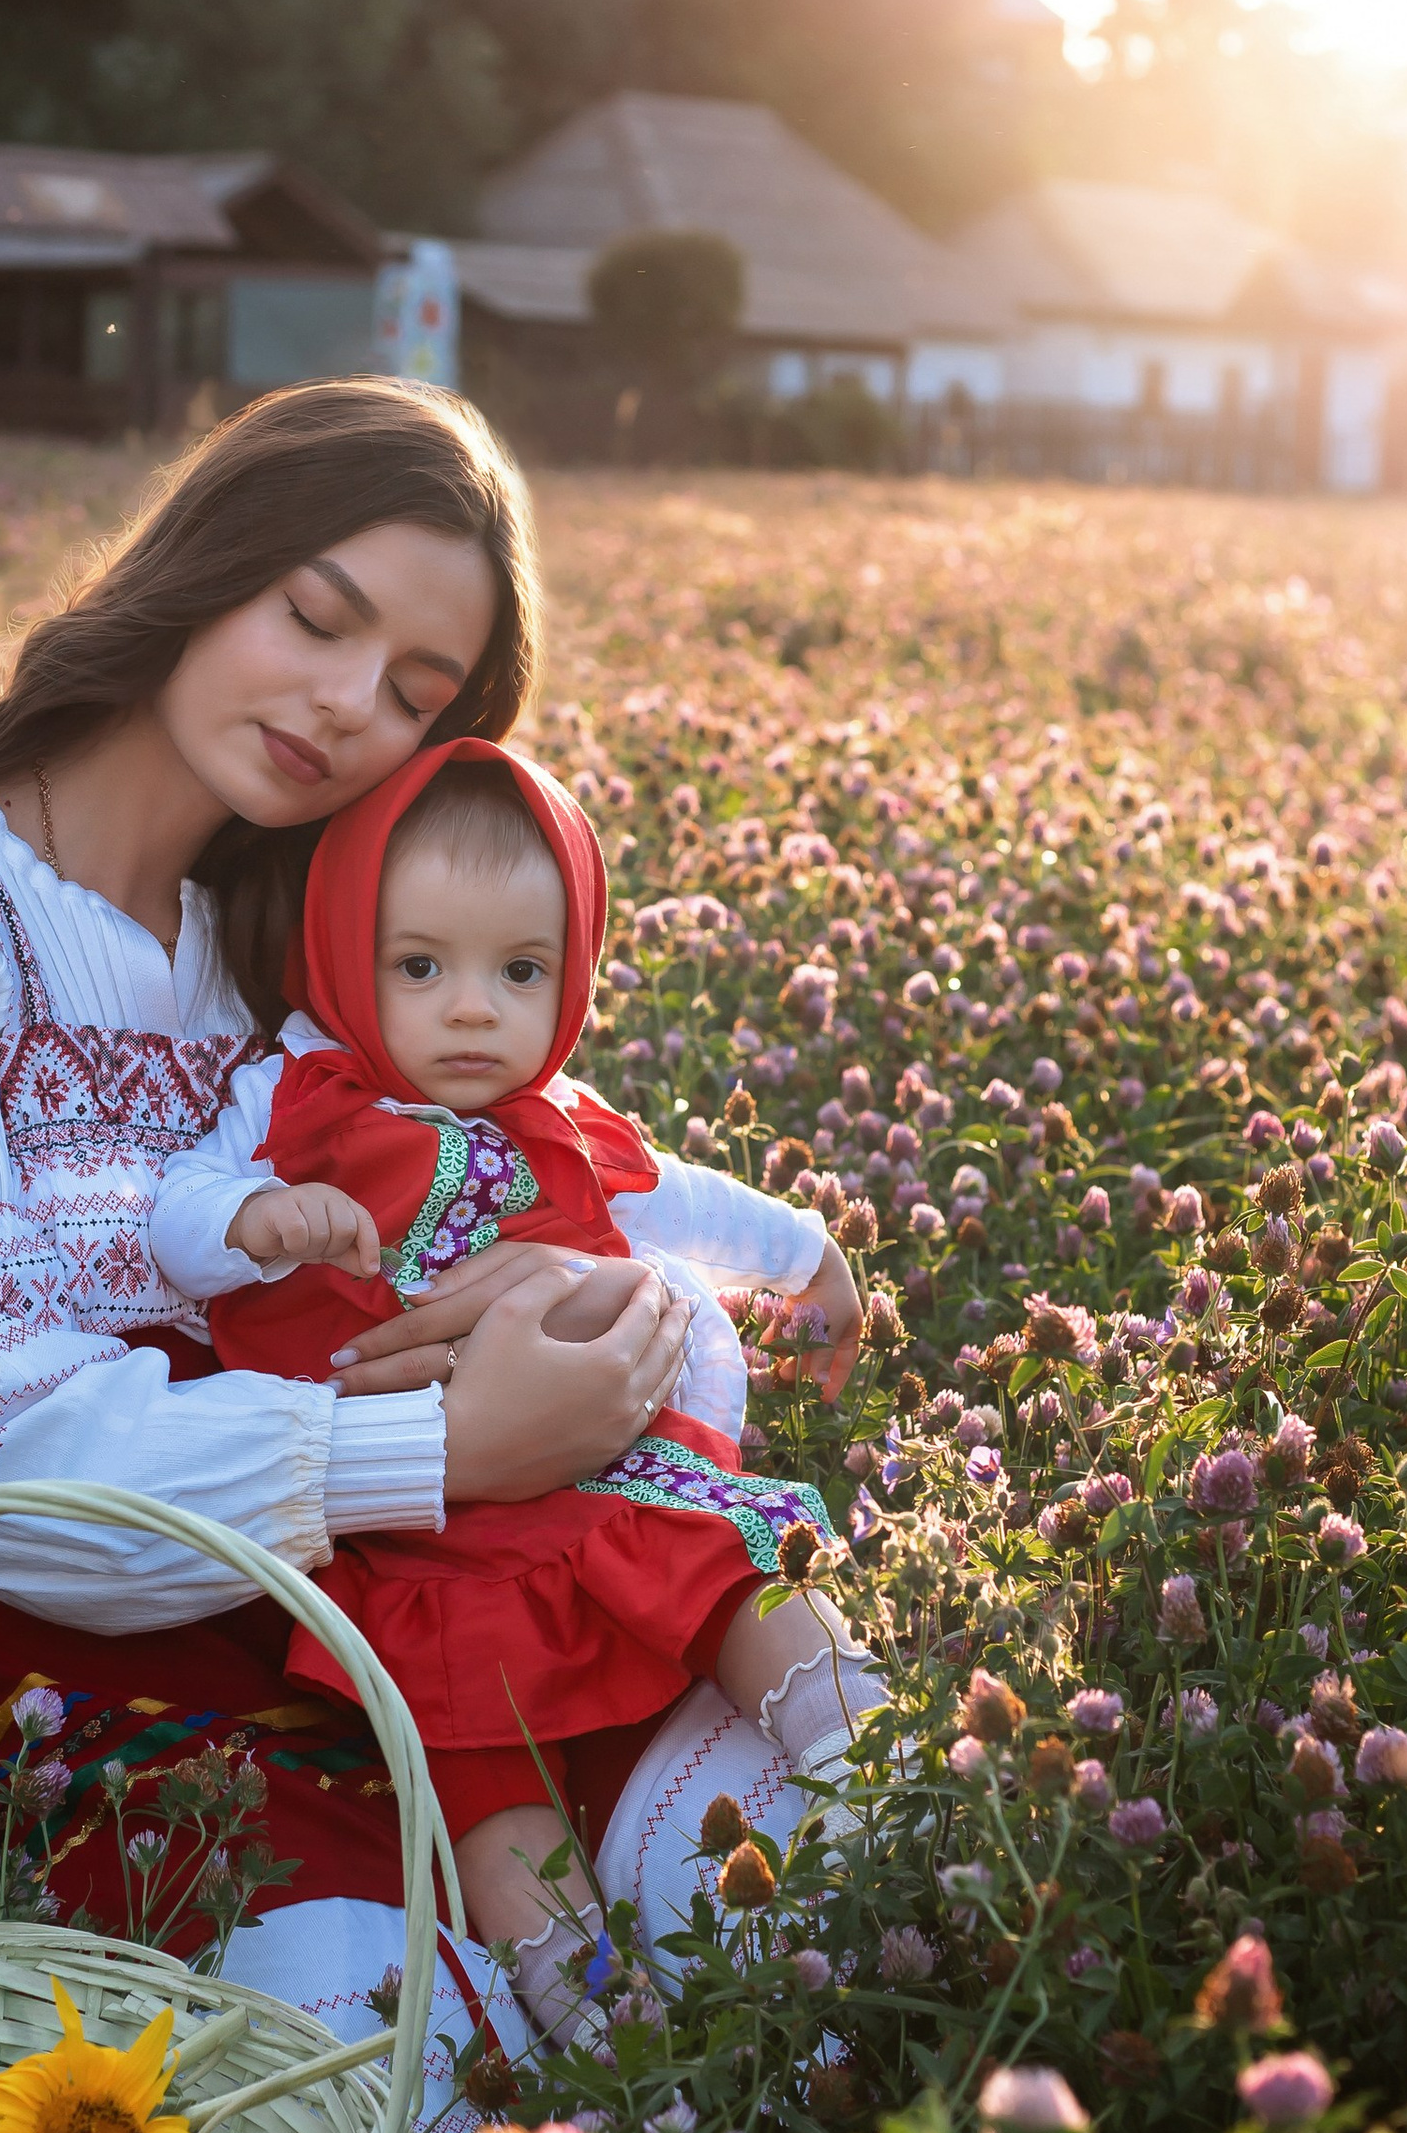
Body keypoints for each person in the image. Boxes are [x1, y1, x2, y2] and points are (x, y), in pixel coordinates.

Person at [0, 379, 864, 2087]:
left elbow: (584, 1194)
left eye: (411, 692)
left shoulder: (305, 949)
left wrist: (591, 1298)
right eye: (315, 613)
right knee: (419, 2114)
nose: (342, 705)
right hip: (110, 1689)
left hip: (456, 1609)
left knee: (851, 1873)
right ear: (207, 557)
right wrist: (440, 1438)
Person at [148, 733, 885, 2035]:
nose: (474, 1006)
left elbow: (681, 1195)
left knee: (726, 1558)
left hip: (586, 1466)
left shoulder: (562, 1119)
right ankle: (592, 2011)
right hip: (411, 1515)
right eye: (421, 965)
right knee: (474, 1763)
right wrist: (259, 1217)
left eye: (521, 969)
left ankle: (871, 1749)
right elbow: (177, 1208)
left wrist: (810, 1255)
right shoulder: (295, 1098)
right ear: (341, 955)